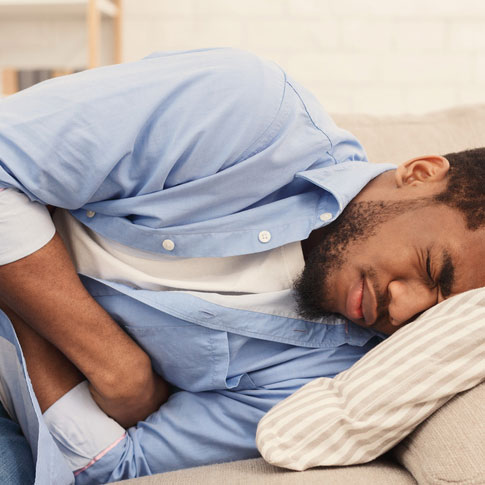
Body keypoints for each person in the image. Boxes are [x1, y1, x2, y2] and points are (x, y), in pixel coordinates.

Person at [0, 48, 483, 484]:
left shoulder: (329, 373)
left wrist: (20, 307)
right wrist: (118, 367)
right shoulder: (249, 113)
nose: (403, 310)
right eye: (432, 268)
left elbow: (111, 463)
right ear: (420, 175)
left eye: (431, 314)